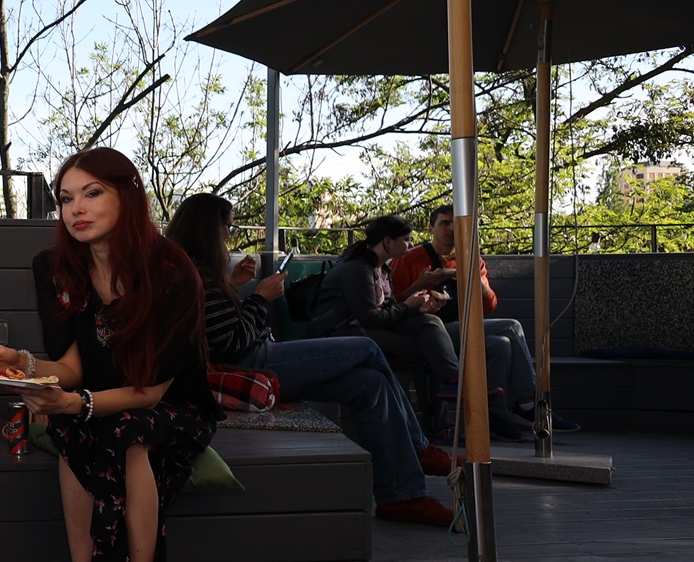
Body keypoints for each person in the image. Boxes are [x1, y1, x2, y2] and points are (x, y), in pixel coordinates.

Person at [0, 147, 218, 562]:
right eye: (66, 198)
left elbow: (152, 390)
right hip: (99, 401)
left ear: (129, 195)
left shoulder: (172, 271)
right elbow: (72, 368)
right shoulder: (57, 269)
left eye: (92, 193)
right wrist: (18, 363)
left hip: (172, 406)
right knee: (72, 429)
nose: (76, 208)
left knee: (127, 432)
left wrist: (78, 404)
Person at [164, 194, 456, 527]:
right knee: (367, 348)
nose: (229, 234)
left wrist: (234, 284)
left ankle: (401, 497)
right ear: (208, 228)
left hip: (248, 358)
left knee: (369, 383)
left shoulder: (187, 269)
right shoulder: (195, 272)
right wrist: (260, 297)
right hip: (245, 365)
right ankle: (418, 448)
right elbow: (231, 344)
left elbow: (215, 327)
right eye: (227, 227)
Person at [389, 206, 577, 433]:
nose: (451, 229)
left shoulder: (472, 259)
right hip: (428, 332)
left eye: (456, 224)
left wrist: (476, 279)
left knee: (501, 344)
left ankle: (494, 416)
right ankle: (528, 402)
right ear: (431, 229)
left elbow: (489, 307)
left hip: (460, 328)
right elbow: (392, 302)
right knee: (512, 326)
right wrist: (421, 286)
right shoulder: (410, 258)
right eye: (445, 223)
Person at [308, 215, 469, 431]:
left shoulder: (382, 268)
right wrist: (408, 306)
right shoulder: (358, 269)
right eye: (406, 239)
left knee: (429, 321)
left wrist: (418, 308)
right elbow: (370, 317)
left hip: (367, 327)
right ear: (387, 241)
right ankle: (439, 424)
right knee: (426, 350)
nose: (410, 245)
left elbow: (388, 307)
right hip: (345, 333)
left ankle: (453, 382)